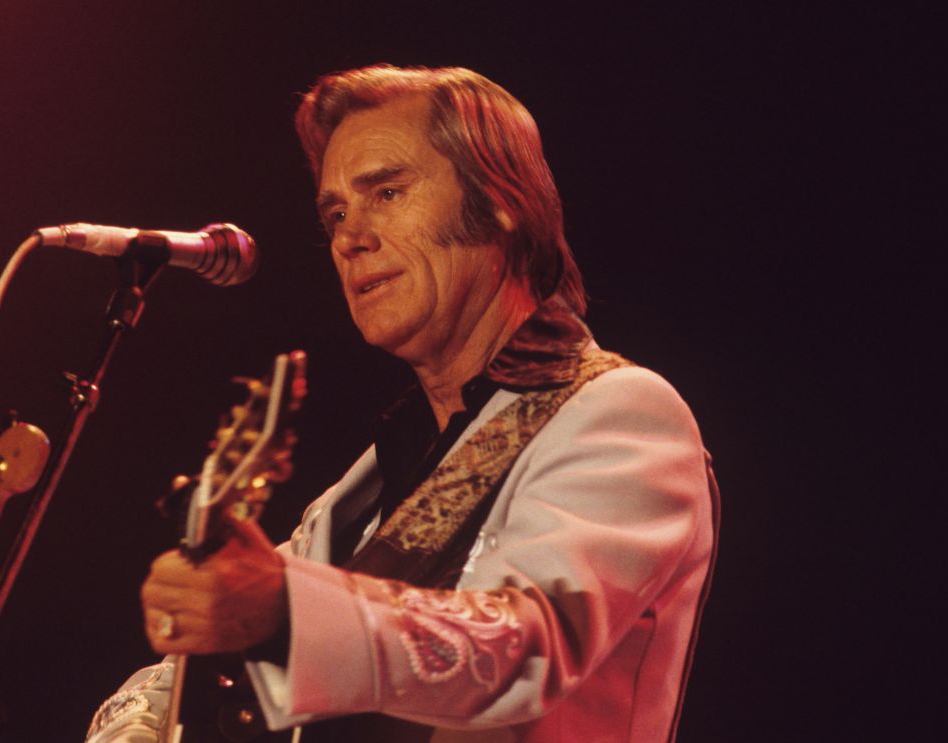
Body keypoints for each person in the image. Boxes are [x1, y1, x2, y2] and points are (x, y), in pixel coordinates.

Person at [86, 64, 719, 743]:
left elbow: (522, 646)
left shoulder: (621, 412)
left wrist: (285, 610)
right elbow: (193, 662)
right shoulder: (356, 496)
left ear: (501, 202)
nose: (348, 238)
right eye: (335, 214)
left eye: (387, 193)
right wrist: (138, 724)